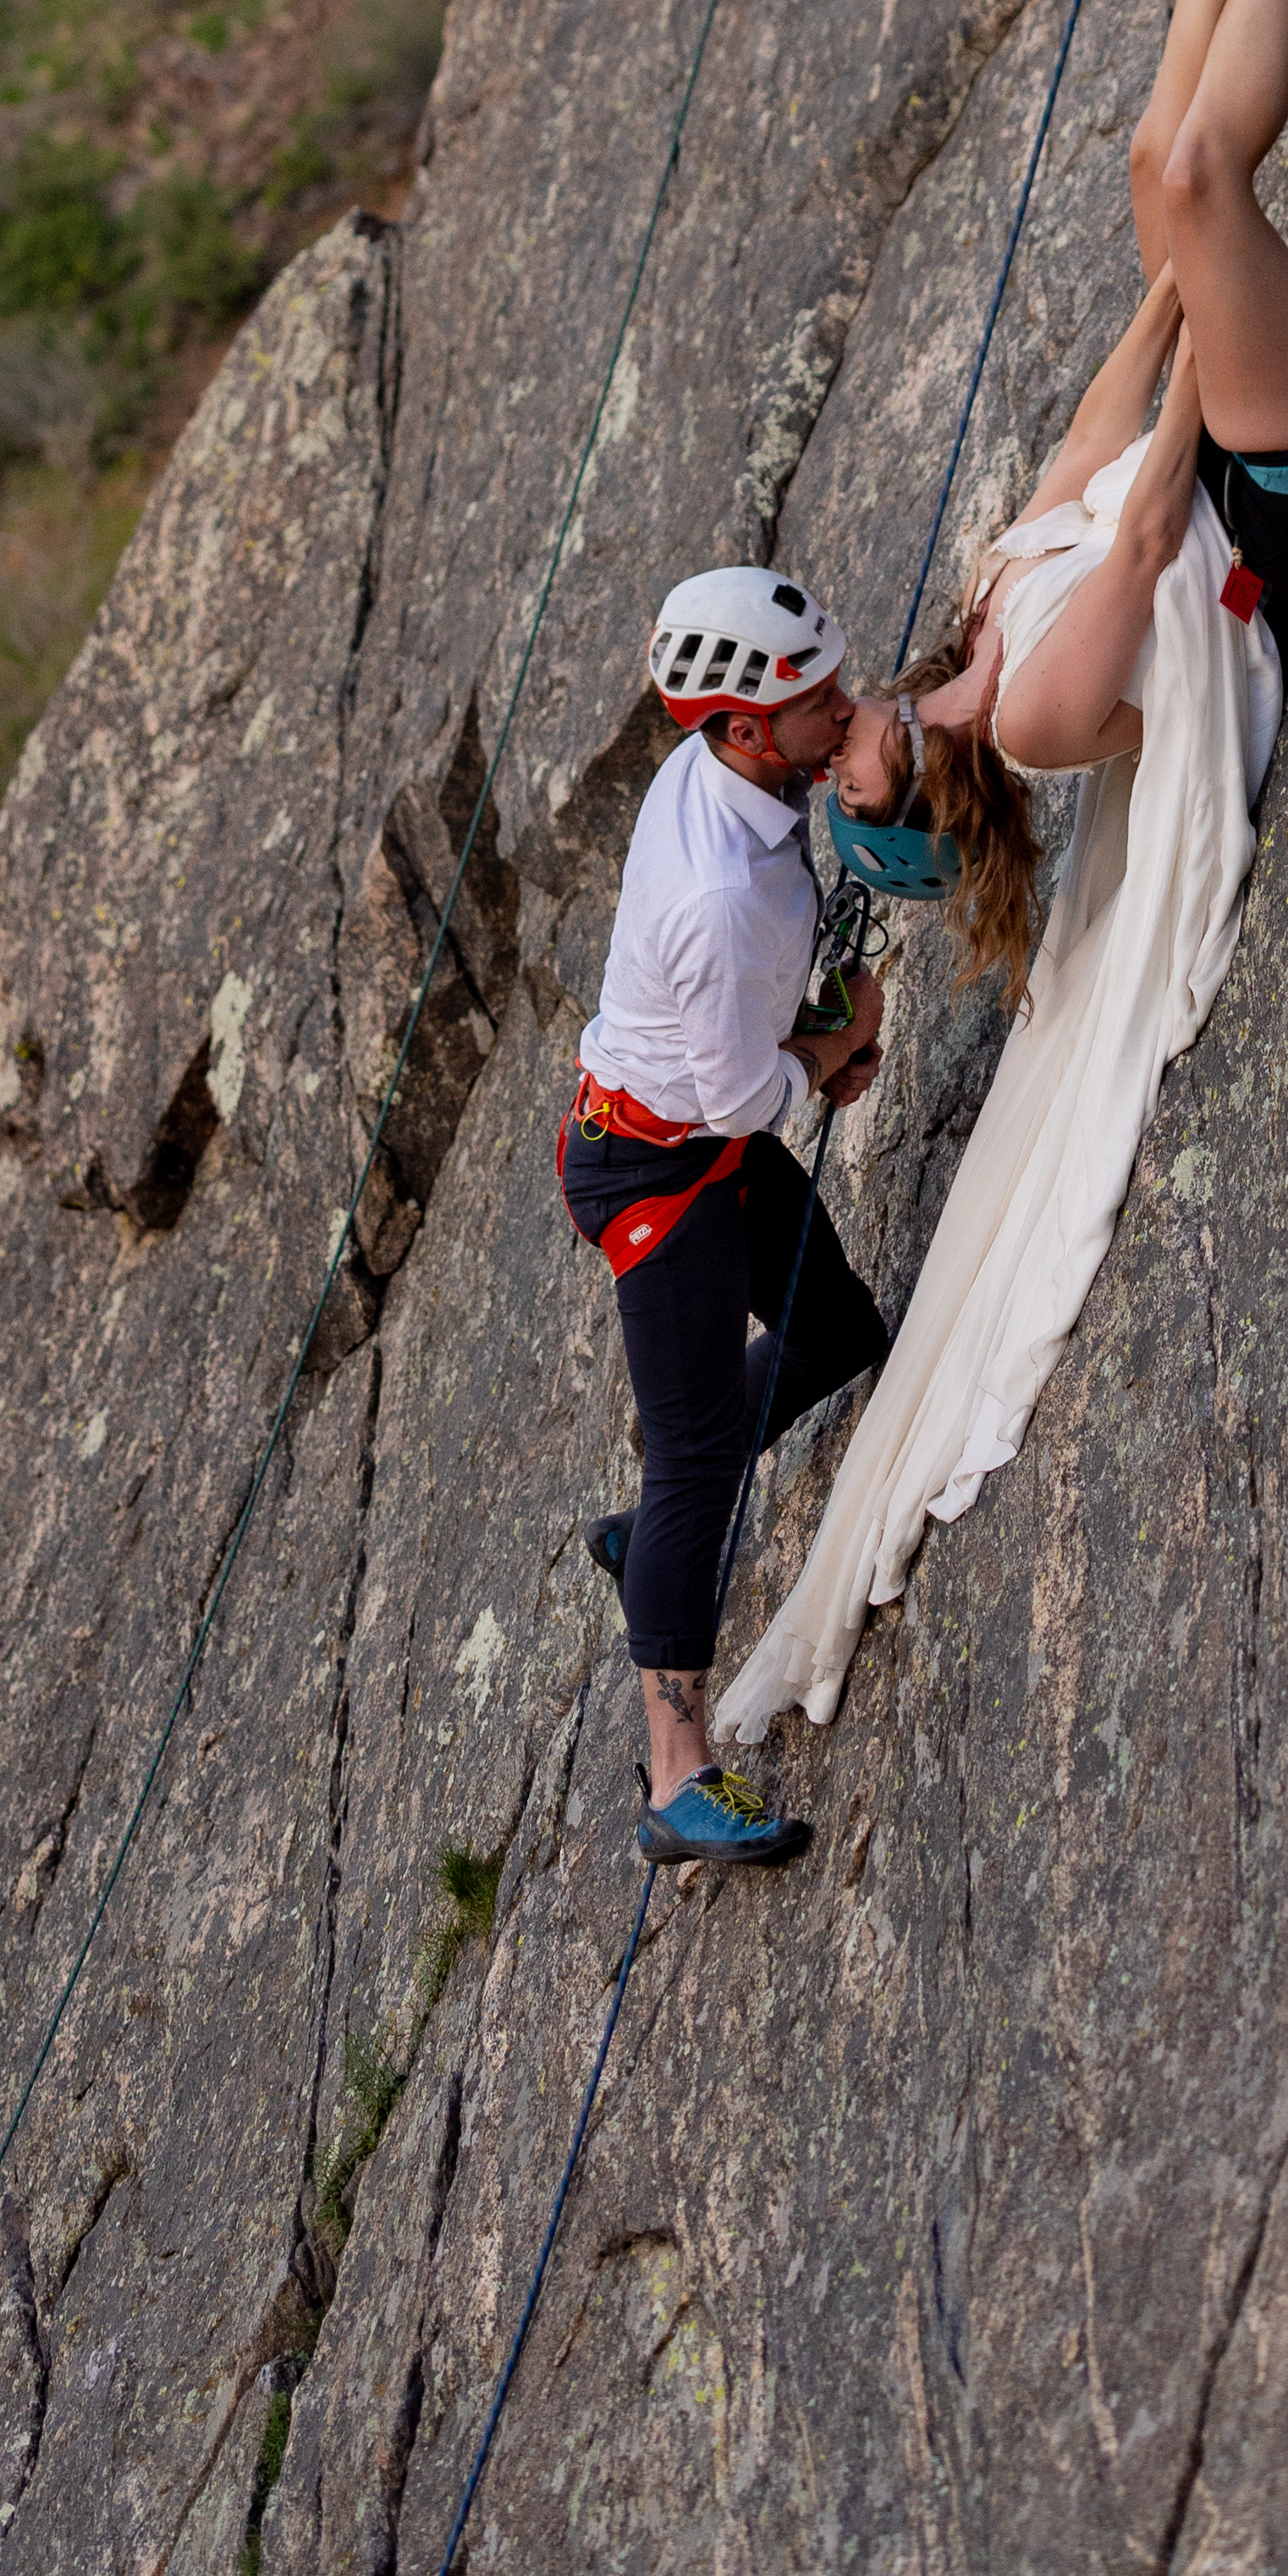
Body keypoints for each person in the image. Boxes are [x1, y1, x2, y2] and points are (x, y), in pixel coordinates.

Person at [718, 0, 1288, 1746]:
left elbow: (1098, 407)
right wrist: (1205, 302)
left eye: (825, 765)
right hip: (1277, 491)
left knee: (1150, 168)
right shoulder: (1032, 716)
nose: (829, 745)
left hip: (1195, 465)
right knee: (1199, 175)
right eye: (845, 773)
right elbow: (1166, 476)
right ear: (917, 780)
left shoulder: (979, 612)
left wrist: (1163, 288)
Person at [556, 560, 894, 1872]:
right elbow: (743, 1096)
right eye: (818, 703)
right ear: (744, 726)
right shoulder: (718, 893)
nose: (842, 713)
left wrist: (815, 1035)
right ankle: (675, 1777)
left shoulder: (738, 777)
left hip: (699, 1131)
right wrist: (826, 1052)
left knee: (838, 1335)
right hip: (658, 1176)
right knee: (694, 1454)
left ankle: (650, 1550)